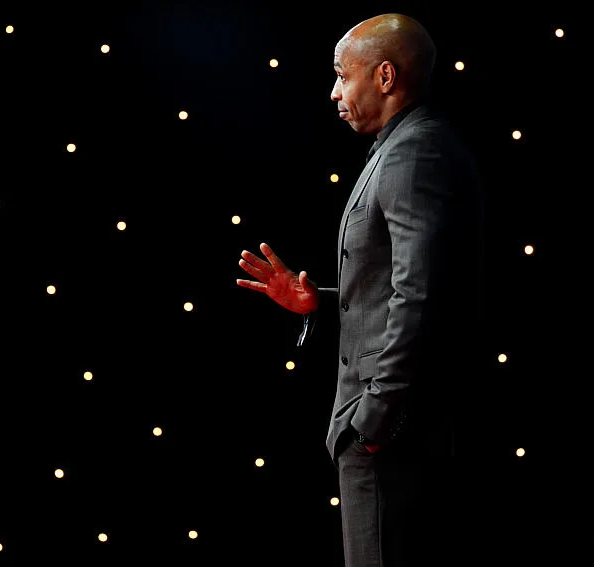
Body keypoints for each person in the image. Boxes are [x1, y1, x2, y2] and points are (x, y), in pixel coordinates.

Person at [237, 12, 485, 567]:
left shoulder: (413, 152)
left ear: (386, 76)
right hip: (398, 430)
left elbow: (421, 297)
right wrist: (321, 303)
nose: (334, 93)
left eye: (341, 76)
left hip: (392, 434)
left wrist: (374, 419)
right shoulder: (411, 145)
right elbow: (407, 286)